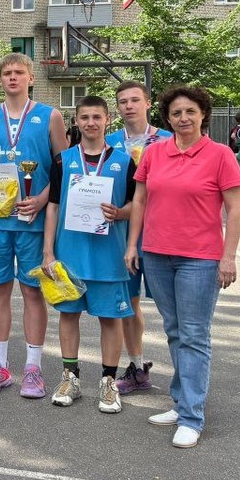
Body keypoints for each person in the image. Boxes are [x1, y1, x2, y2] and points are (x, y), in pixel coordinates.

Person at [125, 85, 240, 449]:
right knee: (175, 331)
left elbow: (235, 209)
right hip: (156, 254)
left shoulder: (220, 155)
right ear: (167, 117)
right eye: (176, 113)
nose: (183, 118)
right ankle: (181, 403)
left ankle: (192, 416)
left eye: (190, 111)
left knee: (194, 335)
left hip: (200, 259)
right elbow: (140, 200)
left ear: (203, 114)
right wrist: (132, 245)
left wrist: (228, 256)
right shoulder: (154, 152)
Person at [0, 53, 68, 398]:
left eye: (19, 72)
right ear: (0, 79)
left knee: (32, 291)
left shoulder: (50, 116)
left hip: (32, 219)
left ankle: (33, 369)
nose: (13, 77)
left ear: (30, 78)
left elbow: (63, 168)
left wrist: (41, 199)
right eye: (7, 73)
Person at [42, 96, 135, 414]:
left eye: (97, 117)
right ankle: (70, 377)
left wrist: (120, 213)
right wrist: (48, 251)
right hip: (70, 255)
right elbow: (53, 206)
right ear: (76, 121)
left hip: (109, 256)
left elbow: (138, 205)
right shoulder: (63, 160)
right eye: (85, 117)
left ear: (108, 119)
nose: (91, 123)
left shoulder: (124, 161)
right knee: (68, 315)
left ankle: (108, 381)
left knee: (111, 319)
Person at [106, 81, 172, 395]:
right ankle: (136, 366)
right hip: (122, 236)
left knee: (172, 307)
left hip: (161, 233)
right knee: (129, 304)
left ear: (147, 103)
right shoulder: (109, 142)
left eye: (135, 100)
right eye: (123, 101)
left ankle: (188, 375)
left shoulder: (169, 139)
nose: (129, 106)